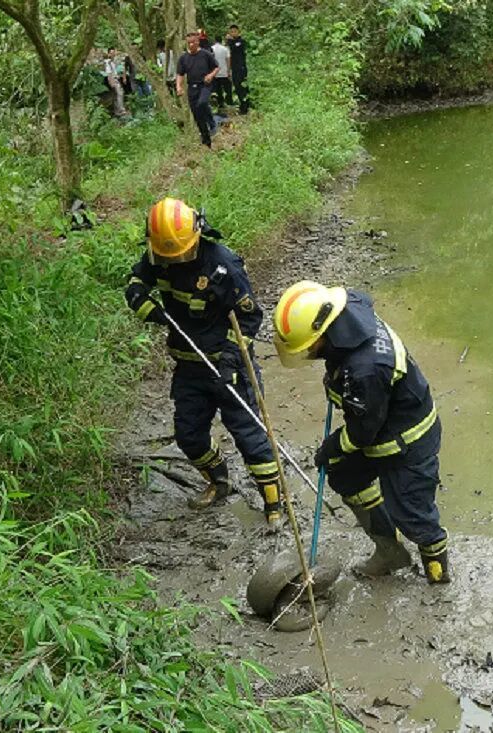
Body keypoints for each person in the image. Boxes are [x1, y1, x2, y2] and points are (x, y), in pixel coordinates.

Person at [272, 281, 451, 584]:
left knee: (414, 516)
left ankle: (438, 578)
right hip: (381, 419)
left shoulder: (367, 368)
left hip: (407, 442)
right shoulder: (349, 307)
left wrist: (333, 446)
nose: (310, 352)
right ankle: (389, 551)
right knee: (344, 475)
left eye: (310, 345)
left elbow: (363, 432)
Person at [125, 198, 282, 528]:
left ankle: (274, 504)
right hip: (188, 365)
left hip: (230, 367)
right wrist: (140, 300)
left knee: (251, 438)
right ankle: (218, 480)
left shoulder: (223, 267)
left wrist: (229, 359)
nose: (176, 261)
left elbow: (250, 317)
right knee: (189, 435)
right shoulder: (159, 254)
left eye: (182, 253)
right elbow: (137, 281)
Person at [176, 31, 218, 148]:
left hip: (205, 85)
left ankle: (212, 122)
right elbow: (180, 74)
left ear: (198, 42)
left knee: (202, 103)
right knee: (197, 115)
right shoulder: (183, 58)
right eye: (188, 43)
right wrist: (179, 86)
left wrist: (211, 75)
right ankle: (206, 141)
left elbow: (216, 67)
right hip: (192, 87)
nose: (191, 45)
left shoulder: (205, 54)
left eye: (193, 42)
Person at [226, 24, 249, 114]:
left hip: (241, 68)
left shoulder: (241, 41)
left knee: (242, 87)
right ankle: (242, 105)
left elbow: (235, 47)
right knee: (237, 87)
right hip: (234, 69)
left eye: (234, 31)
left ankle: (245, 107)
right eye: (231, 32)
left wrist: (229, 40)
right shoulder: (231, 42)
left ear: (238, 32)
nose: (233, 33)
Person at [211, 35, 233, 113]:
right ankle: (229, 102)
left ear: (214, 40)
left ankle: (220, 104)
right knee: (227, 89)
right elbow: (228, 60)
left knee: (218, 90)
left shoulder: (211, 49)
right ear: (221, 40)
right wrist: (229, 71)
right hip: (224, 72)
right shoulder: (225, 49)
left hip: (215, 73)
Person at [104, 47, 128, 117]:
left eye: (114, 53)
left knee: (117, 95)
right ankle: (121, 110)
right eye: (111, 53)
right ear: (108, 54)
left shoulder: (113, 62)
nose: (113, 54)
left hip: (116, 79)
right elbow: (109, 73)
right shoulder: (108, 62)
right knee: (120, 94)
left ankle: (117, 111)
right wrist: (111, 82)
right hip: (113, 80)